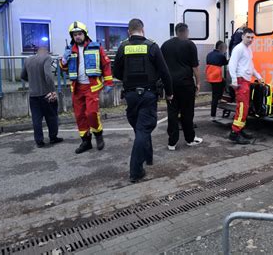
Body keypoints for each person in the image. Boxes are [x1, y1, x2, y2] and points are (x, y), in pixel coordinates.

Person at [113, 18, 173, 183]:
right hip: (148, 95)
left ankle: (148, 157)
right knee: (143, 130)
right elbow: (165, 72)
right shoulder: (152, 46)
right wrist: (169, 93)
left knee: (140, 129)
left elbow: (116, 72)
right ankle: (136, 171)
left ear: (129, 31)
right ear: (143, 30)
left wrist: (129, 78)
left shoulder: (123, 47)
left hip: (131, 96)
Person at [60, 21, 113, 154]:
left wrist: (108, 82)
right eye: (75, 35)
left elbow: (106, 64)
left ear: (85, 34)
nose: (77, 37)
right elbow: (63, 68)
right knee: (79, 116)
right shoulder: (69, 49)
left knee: (91, 114)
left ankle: (98, 136)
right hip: (77, 88)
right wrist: (64, 60)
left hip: (92, 87)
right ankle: (86, 141)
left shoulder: (96, 47)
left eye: (79, 34)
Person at [161, 23, 203, 151]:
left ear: (176, 31)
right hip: (186, 84)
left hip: (170, 85)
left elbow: (162, 67)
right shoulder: (190, 45)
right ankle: (190, 139)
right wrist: (198, 83)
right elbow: (195, 67)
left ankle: (172, 143)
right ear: (186, 32)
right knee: (187, 112)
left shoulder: (165, 45)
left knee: (172, 113)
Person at [21, 46, 63, 148]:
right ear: (46, 52)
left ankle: (39, 141)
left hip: (33, 95)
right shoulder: (47, 58)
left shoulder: (28, 60)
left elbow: (22, 76)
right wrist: (52, 90)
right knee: (52, 116)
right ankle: (53, 137)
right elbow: (48, 75)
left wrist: (31, 81)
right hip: (46, 94)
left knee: (36, 119)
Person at [228, 27, 263, 144]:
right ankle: (235, 133)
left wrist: (258, 76)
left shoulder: (248, 50)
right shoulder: (239, 49)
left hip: (246, 81)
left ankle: (240, 129)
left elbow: (250, 65)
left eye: (252, 37)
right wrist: (234, 81)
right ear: (242, 36)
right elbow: (231, 65)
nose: (250, 39)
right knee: (242, 107)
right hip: (240, 80)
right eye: (248, 37)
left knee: (245, 108)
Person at [205, 41, 228, 121]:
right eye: (224, 48)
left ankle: (219, 98)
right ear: (220, 47)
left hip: (209, 76)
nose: (225, 50)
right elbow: (225, 63)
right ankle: (213, 115)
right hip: (216, 77)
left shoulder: (209, 54)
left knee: (223, 82)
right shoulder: (221, 55)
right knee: (214, 97)